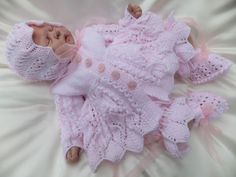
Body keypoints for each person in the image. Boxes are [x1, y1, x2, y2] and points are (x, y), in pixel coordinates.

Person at [5, 3, 232, 172]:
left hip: (145, 64)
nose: (55, 31)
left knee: (164, 47)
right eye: (48, 39)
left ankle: (189, 62)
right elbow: (69, 117)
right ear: (45, 64)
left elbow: (121, 31)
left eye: (51, 27)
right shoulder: (64, 86)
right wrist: (73, 142)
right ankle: (185, 112)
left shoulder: (90, 34)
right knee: (151, 121)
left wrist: (132, 18)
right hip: (128, 102)